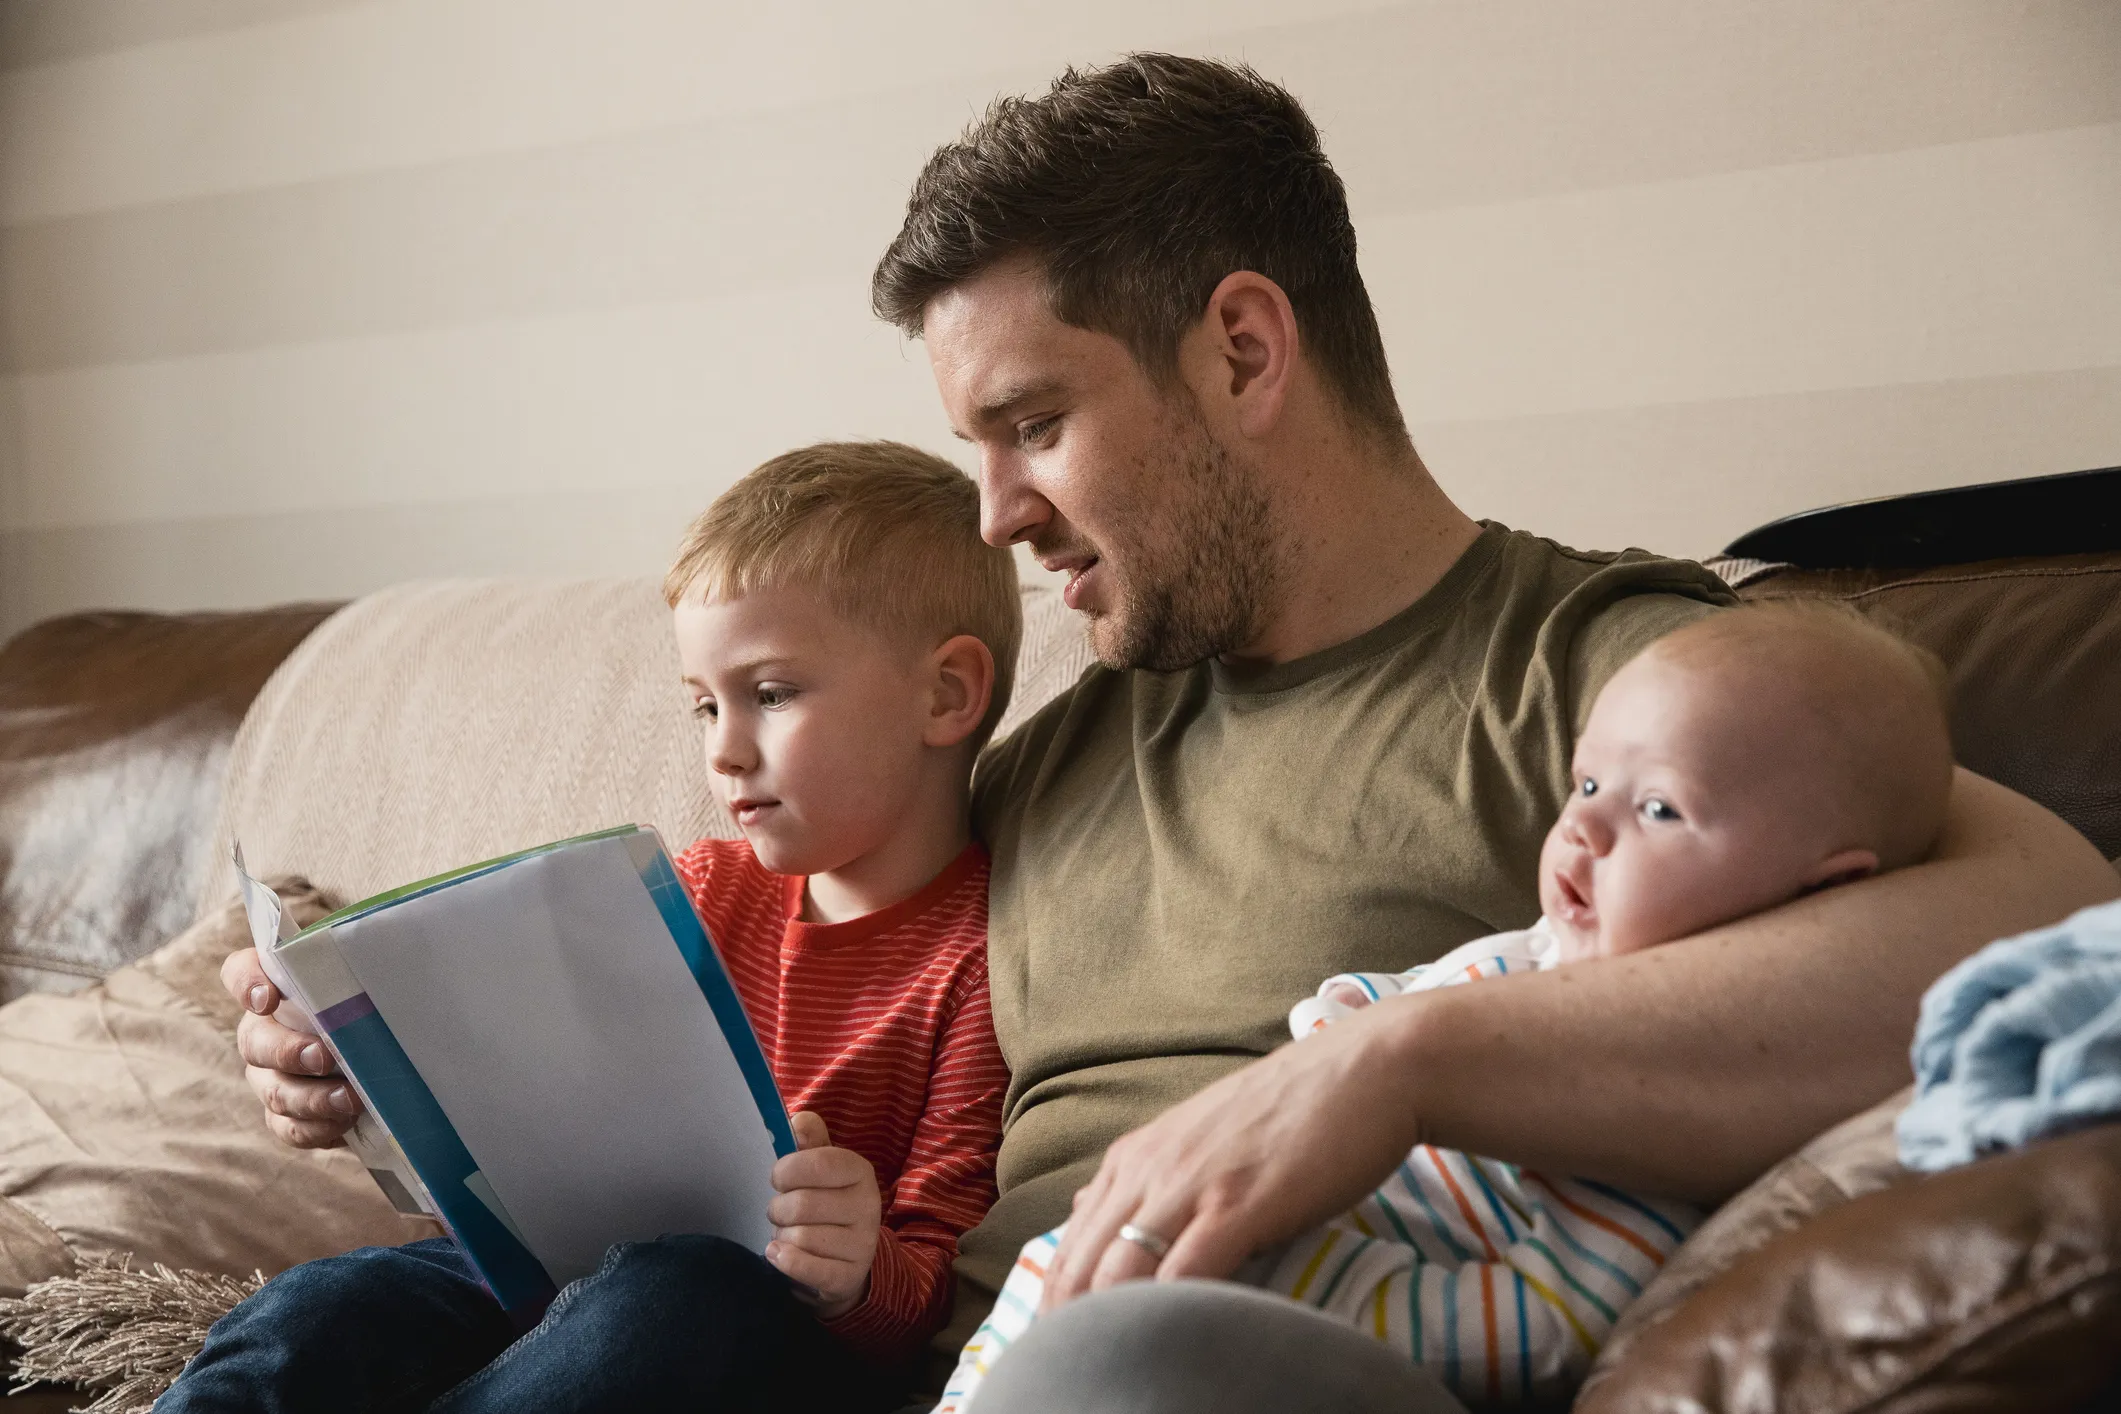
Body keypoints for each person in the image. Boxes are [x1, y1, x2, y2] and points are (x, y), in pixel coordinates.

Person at [228, 53, 2119, 1413]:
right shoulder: (1043, 752)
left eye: (1032, 423)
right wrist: (414, 1079)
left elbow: (2036, 910)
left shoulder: (1600, 672)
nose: (990, 515)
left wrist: (1393, 1062)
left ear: (1240, 347)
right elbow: (755, 1101)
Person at [941, 604, 1957, 1408]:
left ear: (1824, 888)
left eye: (1657, 809)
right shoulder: (1540, 949)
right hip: (1080, 1282)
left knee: (1116, 1348)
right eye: (1587, 782)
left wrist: (1301, 1277)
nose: (1584, 830)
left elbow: (1551, 1320)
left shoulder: (1663, 1099)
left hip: (1252, 1318)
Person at [185, 442, 1019, 1413]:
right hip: (553, 1279)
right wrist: (349, 1051)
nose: (724, 748)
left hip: (750, 1333)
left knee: (676, 1299)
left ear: (946, 694)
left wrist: (858, 1267)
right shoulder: (691, 890)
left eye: (772, 694)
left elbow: (934, 1298)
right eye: (704, 705)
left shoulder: (984, 959)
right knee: (320, 1305)